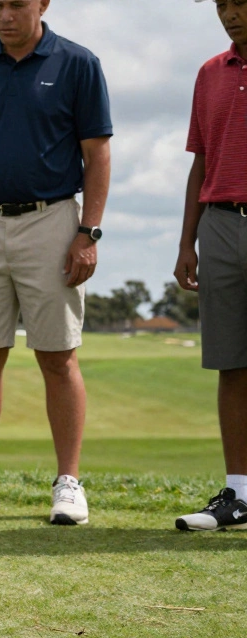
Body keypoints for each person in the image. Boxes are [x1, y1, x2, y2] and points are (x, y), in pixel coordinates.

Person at [0, 0, 111, 525]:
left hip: (53, 220)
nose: (5, 14)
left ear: (43, 4)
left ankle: (69, 482)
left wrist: (88, 233)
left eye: (16, 3)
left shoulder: (78, 64)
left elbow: (97, 153)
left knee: (58, 355)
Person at [174, 0, 247, 531]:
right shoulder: (207, 73)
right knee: (231, 362)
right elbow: (201, 160)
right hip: (219, 223)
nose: (229, 13)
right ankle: (240, 495)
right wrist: (187, 242)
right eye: (222, 4)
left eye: (238, 2)